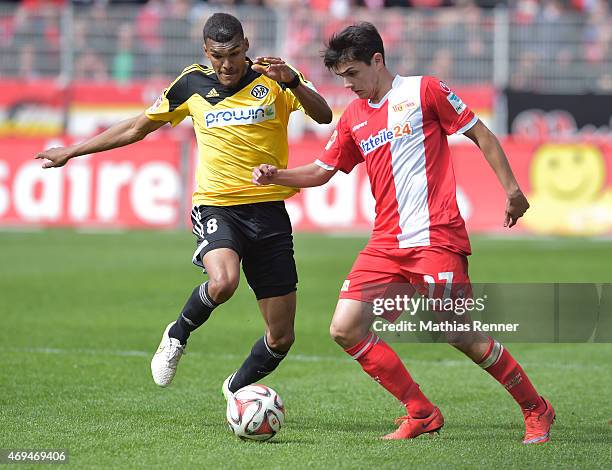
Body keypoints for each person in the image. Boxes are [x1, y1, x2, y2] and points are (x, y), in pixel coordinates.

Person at [252, 22, 555, 444]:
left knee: (459, 333)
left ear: (377, 60)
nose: (350, 85)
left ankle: (535, 407)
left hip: (435, 236)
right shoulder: (353, 117)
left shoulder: (425, 91)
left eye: (353, 74)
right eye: (342, 78)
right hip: (386, 243)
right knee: (345, 328)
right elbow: (321, 172)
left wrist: (513, 191)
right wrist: (277, 175)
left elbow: (480, 134)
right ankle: (421, 411)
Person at [36, 13, 333, 396]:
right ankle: (177, 335)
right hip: (217, 206)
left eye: (234, 54)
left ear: (246, 45)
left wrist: (292, 80)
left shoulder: (273, 78)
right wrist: (72, 151)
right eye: (217, 56)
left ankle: (234, 390)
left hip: (269, 211)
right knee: (223, 281)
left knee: (281, 337)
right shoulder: (191, 83)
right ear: (205, 52)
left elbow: (323, 115)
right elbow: (136, 128)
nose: (226, 64)